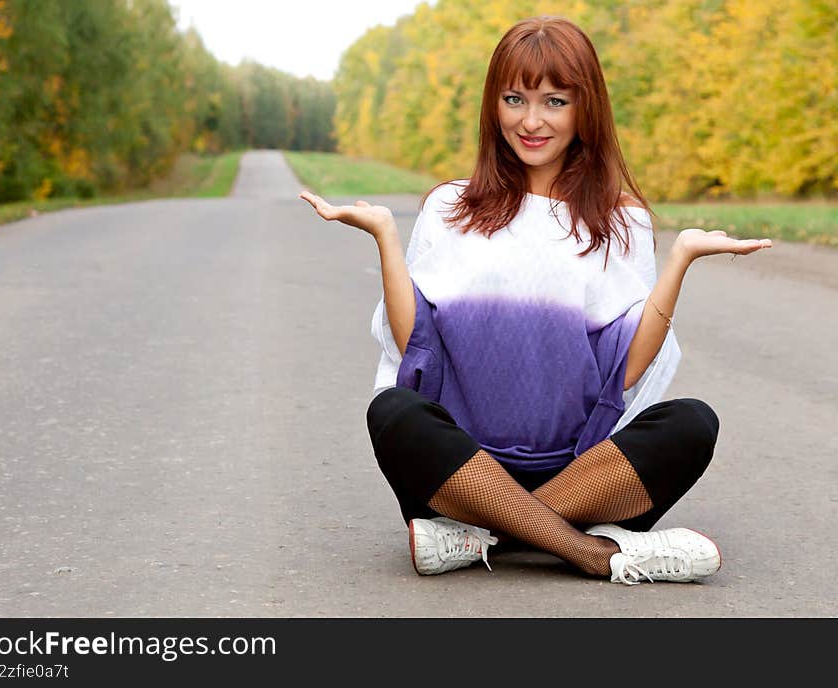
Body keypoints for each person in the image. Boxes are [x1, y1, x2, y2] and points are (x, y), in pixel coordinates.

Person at [299, 15, 771, 585]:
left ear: (584, 107)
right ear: (492, 106)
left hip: (581, 473)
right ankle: (595, 553)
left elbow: (622, 375)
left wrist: (681, 259)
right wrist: (385, 235)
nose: (530, 120)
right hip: (460, 474)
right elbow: (415, 348)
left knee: (692, 423)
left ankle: (482, 537)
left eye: (554, 101)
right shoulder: (449, 209)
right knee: (393, 412)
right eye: (513, 98)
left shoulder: (623, 221)